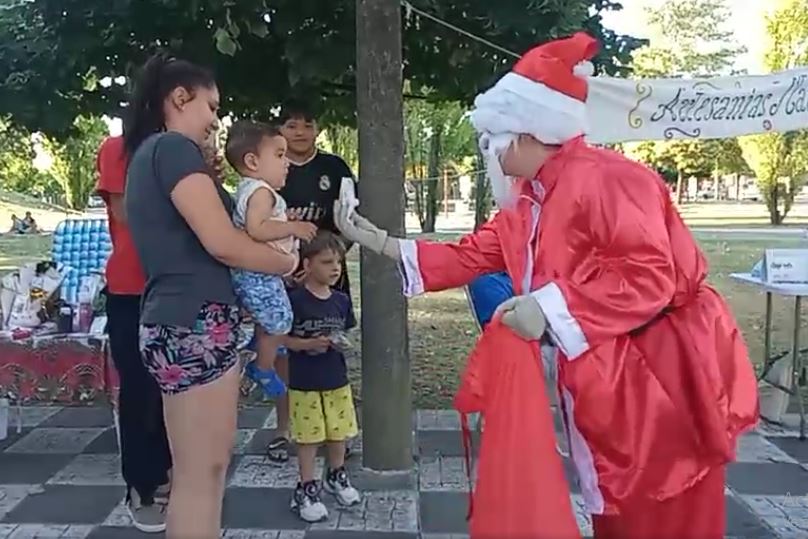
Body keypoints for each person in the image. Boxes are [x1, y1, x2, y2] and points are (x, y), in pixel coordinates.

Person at [334, 32, 759, 539]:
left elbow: (650, 275)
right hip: (611, 377)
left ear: (529, 133)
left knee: (663, 510)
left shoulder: (609, 179)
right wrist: (381, 242)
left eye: (493, 138)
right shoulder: (529, 198)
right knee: (619, 501)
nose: (487, 152)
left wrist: (550, 306)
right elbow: (473, 253)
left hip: (659, 378)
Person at [123, 52, 297, 539]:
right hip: (195, 324)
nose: (216, 120)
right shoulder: (172, 150)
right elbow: (222, 243)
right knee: (204, 474)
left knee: (198, 472)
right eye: (212, 107)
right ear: (180, 98)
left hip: (179, 323)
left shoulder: (149, 155)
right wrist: (285, 263)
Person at [265, 100, 357, 463]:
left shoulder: (334, 168)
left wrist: (331, 258)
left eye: (307, 124)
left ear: (318, 128)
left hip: (328, 274)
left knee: (330, 346)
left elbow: (350, 217)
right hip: (283, 275)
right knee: (286, 351)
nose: (300, 131)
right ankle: (284, 429)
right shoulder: (273, 170)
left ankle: (337, 432)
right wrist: (288, 267)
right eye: (291, 125)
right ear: (280, 131)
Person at [96, 134, 172, 533]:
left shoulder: (186, 146)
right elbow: (126, 212)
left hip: (179, 286)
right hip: (131, 289)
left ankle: (175, 474)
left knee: (179, 388)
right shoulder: (118, 148)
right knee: (140, 389)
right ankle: (142, 485)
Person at [225, 120, 317, 397]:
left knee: (272, 319)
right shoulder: (262, 192)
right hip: (258, 275)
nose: (286, 162)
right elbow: (258, 229)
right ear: (252, 161)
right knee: (281, 320)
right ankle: (262, 367)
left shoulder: (253, 191)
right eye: (279, 155)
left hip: (259, 273)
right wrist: (292, 227)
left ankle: (260, 347)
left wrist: (284, 221)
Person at [284, 230, 360, 522]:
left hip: (336, 380)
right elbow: (282, 340)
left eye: (338, 262)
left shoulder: (341, 301)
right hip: (304, 384)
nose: (335, 268)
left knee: (339, 432)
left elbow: (345, 331)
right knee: (309, 438)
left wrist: (339, 341)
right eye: (327, 262)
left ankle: (337, 475)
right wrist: (308, 344)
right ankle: (306, 488)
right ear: (307, 264)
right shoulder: (295, 300)